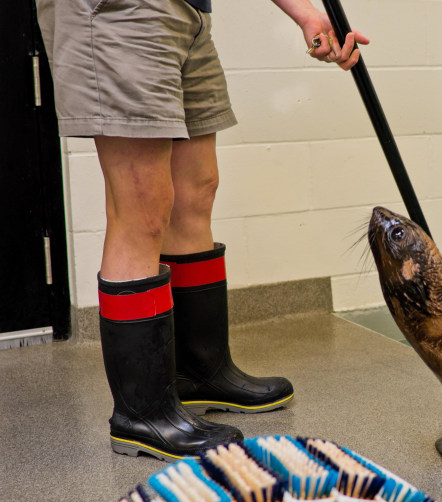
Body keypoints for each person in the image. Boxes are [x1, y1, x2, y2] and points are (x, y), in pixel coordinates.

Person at [35, 0, 368, 461]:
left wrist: (306, 13)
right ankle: (142, 414)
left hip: (188, 12)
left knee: (196, 192)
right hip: (120, 9)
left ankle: (199, 373)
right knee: (142, 208)